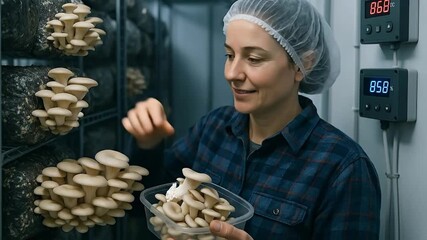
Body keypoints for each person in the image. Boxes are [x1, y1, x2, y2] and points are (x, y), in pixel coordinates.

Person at [123, 0, 381, 239]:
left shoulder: (342, 168)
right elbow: (142, 204)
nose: (232, 73)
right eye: (229, 55)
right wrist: (148, 144)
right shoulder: (213, 128)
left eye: (254, 58)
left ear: (304, 64)